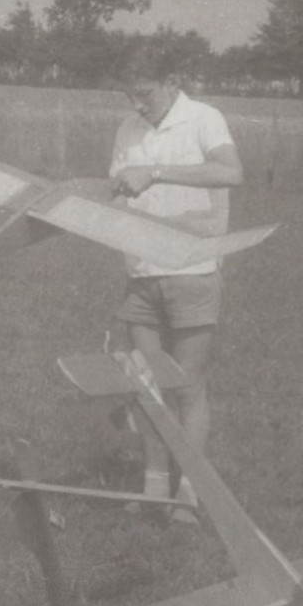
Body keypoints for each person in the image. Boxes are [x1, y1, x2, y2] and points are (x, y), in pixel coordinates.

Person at [108, 44, 244, 520]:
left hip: (192, 272)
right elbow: (118, 190)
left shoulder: (205, 118)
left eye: (144, 94)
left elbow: (232, 171)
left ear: (171, 82)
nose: (137, 105)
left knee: (187, 386)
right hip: (141, 273)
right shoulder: (128, 128)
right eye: (129, 96)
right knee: (145, 384)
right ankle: (153, 487)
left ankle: (188, 492)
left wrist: (158, 172)